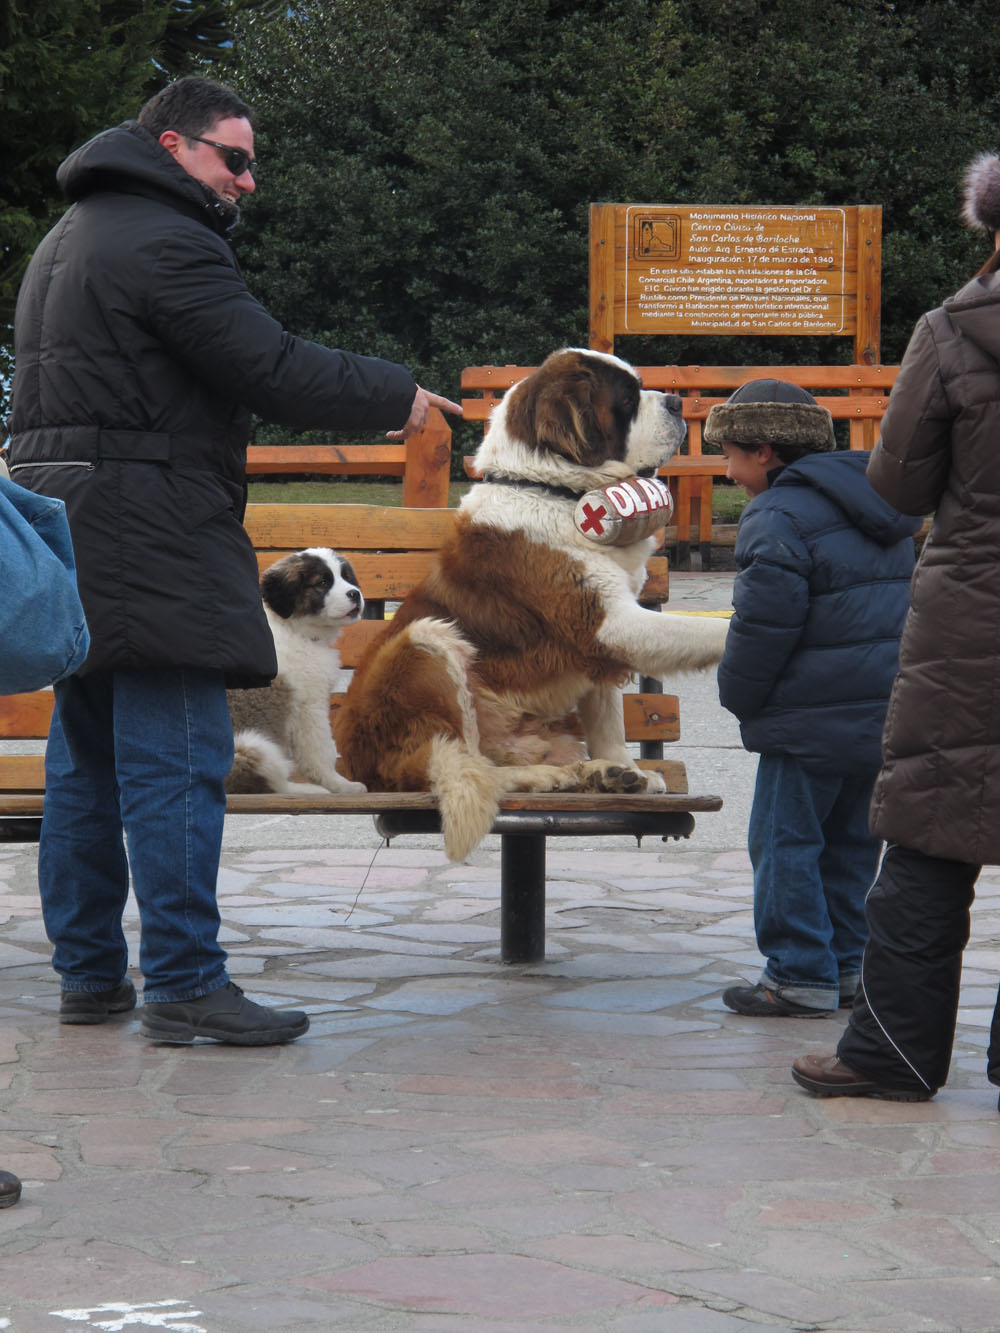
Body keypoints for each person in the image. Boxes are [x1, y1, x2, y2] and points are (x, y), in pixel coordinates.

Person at [5, 76, 461, 1047]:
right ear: (174, 145)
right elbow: (269, 363)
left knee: (85, 761)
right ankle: (185, 983)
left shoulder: (69, 238)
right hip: (148, 527)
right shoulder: (163, 239)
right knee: (178, 761)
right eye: (234, 159)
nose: (249, 181)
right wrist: (397, 391)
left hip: (71, 525)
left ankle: (89, 975)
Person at [793, 152, 1000, 1100]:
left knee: (928, 832)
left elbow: (902, 488)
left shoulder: (951, 332)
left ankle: (891, 1054)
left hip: (972, 617)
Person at [706, 381, 919, 1017]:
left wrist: (740, 695)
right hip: (882, 708)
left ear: (764, 452)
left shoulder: (776, 515)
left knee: (786, 843)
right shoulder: (881, 502)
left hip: (806, 717)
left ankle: (797, 973)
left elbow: (764, 624)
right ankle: (847, 969)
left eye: (730, 455)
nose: (727, 470)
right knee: (855, 843)